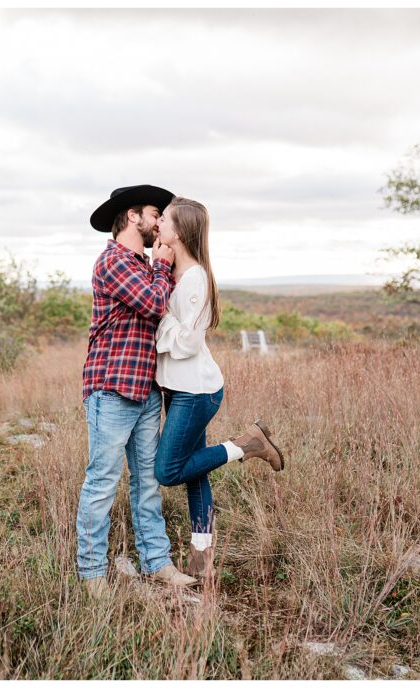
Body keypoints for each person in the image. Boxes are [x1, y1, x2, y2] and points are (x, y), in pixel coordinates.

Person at [153, 196, 285, 585]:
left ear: (178, 232)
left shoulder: (195, 279)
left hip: (196, 392)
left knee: (167, 470)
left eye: (164, 220)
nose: (157, 224)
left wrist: (158, 314)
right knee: (196, 474)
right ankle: (202, 558)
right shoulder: (172, 272)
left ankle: (247, 444)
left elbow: (187, 344)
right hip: (177, 389)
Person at [76, 185, 199, 600]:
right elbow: (152, 303)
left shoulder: (146, 263)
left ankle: (157, 563)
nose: (158, 222)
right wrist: (164, 265)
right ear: (133, 217)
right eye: (153, 213)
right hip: (111, 389)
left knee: (147, 482)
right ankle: (92, 573)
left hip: (145, 389)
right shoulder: (114, 260)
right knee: (102, 483)